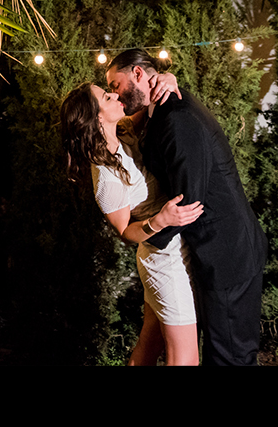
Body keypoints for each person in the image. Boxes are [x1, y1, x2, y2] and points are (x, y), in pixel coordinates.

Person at [106, 49, 268, 366]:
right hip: (217, 252)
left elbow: (187, 204)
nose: (116, 95)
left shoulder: (177, 119)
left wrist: (143, 236)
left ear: (138, 74)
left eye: (116, 85)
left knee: (230, 358)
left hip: (227, 256)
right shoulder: (164, 107)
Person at [61, 77, 204, 366]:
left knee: (149, 345)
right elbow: (125, 232)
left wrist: (167, 79)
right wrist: (159, 220)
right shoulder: (104, 174)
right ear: (95, 116)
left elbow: (148, 98)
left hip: (177, 245)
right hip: (163, 260)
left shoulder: (123, 131)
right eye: (106, 98)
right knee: (185, 357)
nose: (115, 96)